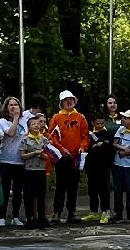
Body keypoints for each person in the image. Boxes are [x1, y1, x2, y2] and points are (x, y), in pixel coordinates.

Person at [47, 91, 88, 224]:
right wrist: (61, 148)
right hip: (61, 157)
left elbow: (85, 135)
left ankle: (72, 213)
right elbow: (51, 136)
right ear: (61, 103)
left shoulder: (80, 117)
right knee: (60, 185)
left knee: (73, 186)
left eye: (71, 99)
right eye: (66, 100)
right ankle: (56, 213)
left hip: (76, 156)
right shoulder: (56, 118)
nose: (69, 102)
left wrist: (83, 147)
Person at [0, 97, 28, 227]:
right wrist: (15, 119)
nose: (14, 107)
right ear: (6, 108)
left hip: (20, 161)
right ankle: (2, 216)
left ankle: (15, 216)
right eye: (11, 105)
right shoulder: (2, 121)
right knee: (5, 190)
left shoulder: (25, 121)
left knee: (18, 190)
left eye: (16, 105)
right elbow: (11, 133)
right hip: (6, 160)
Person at [19, 115, 53, 229]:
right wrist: (33, 153)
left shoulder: (44, 139)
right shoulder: (25, 139)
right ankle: (29, 220)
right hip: (29, 171)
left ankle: (41, 220)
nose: (36, 125)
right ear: (29, 127)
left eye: (38, 124)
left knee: (41, 197)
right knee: (28, 196)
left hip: (41, 171)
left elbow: (48, 156)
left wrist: (41, 154)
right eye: (33, 124)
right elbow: (22, 156)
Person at [85, 115, 115, 222]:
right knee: (92, 189)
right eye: (98, 123)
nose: (100, 126)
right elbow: (85, 147)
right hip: (91, 165)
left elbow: (111, 147)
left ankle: (105, 211)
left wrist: (102, 144)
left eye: (102, 123)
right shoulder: (88, 134)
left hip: (104, 166)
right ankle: (93, 211)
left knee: (104, 190)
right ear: (93, 123)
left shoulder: (107, 134)